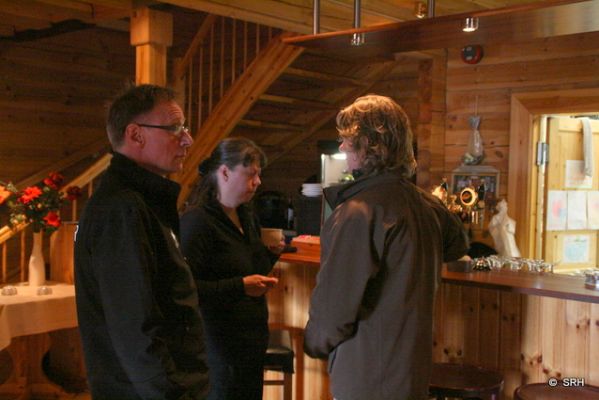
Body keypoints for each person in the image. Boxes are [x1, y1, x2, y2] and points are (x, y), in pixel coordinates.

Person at [304, 94, 468, 400]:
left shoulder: (358, 212)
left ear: (368, 144)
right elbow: (458, 243)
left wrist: (315, 341)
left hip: (367, 374)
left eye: (346, 139)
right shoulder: (426, 205)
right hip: (412, 371)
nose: (342, 147)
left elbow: (334, 310)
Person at [74, 84, 209, 399]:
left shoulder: (143, 201)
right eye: (175, 128)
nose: (187, 139)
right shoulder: (122, 209)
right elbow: (135, 330)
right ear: (135, 135)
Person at [179, 137, 282, 400]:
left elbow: (251, 269)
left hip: (251, 341)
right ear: (224, 172)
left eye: (259, 174)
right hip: (218, 348)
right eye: (251, 174)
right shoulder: (197, 222)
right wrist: (240, 286)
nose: (258, 182)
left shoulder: (246, 215)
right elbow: (187, 289)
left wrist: (271, 256)